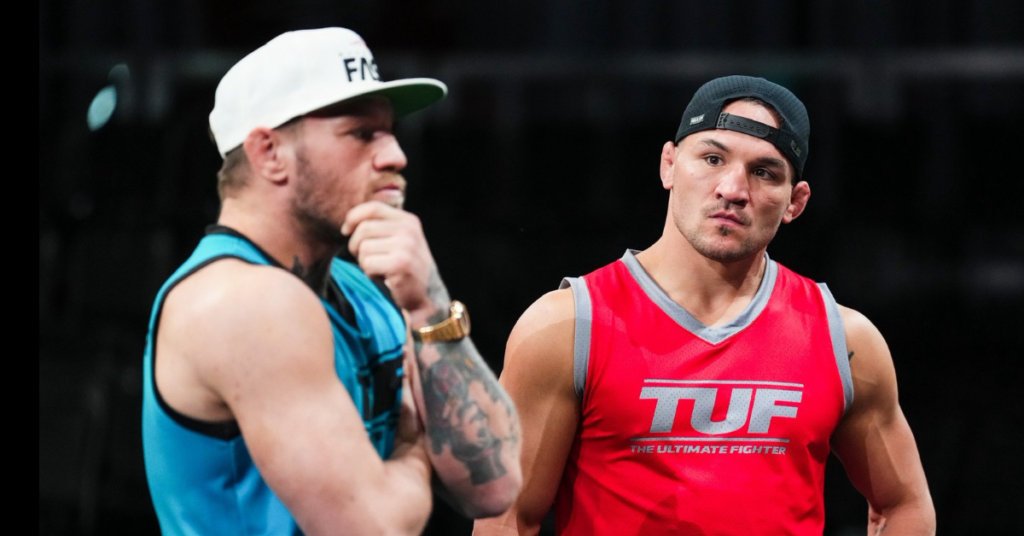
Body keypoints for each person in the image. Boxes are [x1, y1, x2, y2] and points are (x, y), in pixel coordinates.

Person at [474, 76, 935, 535]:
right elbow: (509, 517)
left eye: (764, 172)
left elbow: (903, 505)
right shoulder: (568, 326)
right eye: (713, 159)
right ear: (669, 165)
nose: (733, 189)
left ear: (795, 202)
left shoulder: (844, 341)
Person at [141, 27, 521, 536]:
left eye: (390, 131)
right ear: (268, 152)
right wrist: (413, 443)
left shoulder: (365, 290)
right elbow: (377, 528)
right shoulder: (241, 302)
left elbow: (495, 488)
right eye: (361, 133)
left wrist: (429, 304)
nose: (395, 155)